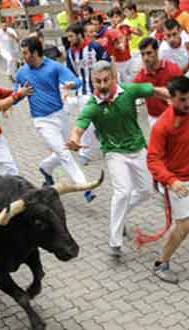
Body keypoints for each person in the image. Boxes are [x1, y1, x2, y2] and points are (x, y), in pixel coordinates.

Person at [66, 60, 170, 257]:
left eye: (106, 80)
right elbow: (79, 126)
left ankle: (119, 216)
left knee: (147, 190)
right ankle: (115, 243)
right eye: (98, 82)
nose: (103, 85)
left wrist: (175, 97)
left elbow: (154, 90)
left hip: (138, 149)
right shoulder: (92, 106)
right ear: (93, 82)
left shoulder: (128, 91)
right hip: (114, 153)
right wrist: (74, 140)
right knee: (122, 192)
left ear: (114, 78)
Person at [14, 37, 95, 202]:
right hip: (42, 121)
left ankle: (45, 168)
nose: (23, 57)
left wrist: (71, 85)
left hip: (60, 115)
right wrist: (18, 94)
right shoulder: (22, 72)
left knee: (65, 150)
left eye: (25, 53)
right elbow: (15, 97)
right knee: (64, 153)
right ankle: (85, 187)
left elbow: (77, 81)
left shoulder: (54, 67)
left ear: (35, 53)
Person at [147, 76, 189, 284]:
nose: (187, 104)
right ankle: (161, 263)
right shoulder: (163, 125)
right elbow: (153, 160)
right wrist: (171, 181)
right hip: (179, 182)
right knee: (184, 225)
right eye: (182, 100)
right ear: (171, 99)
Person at [65, 22, 111, 165]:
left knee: (103, 119)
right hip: (83, 93)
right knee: (86, 122)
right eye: (68, 37)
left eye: (71, 36)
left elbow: (108, 64)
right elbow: (71, 73)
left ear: (80, 35)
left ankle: (106, 143)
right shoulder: (70, 53)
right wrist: (69, 88)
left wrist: (111, 85)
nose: (69, 40)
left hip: (100, 90)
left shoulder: (95, 47)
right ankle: (85, 153)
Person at [133, 37, 183, 128]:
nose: (145, 58)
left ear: (157, 51)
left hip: (175, 116)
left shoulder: (172, 69)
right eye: (142, 54)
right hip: (154, 119)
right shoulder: (140, 77)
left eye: (149, 53)